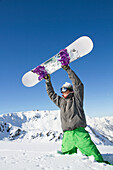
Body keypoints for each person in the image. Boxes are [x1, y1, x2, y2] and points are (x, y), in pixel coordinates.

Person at [43, 49, 111, 164]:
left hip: (80, 133)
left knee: (94, 156)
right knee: (66, 159)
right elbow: (51, 94)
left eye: (65, 90)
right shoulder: (61, 102)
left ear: (70, 91)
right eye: (62, 90)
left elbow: (78, 85)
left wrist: (68, 69)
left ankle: (103, 166)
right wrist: (48, 82)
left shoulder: (77, 99)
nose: (63, 92)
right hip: (67, 135)